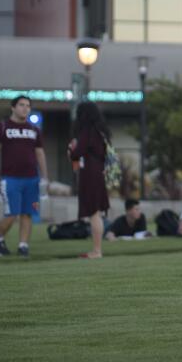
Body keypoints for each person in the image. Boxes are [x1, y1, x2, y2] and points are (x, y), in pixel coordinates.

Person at [0, 95, 48, 258]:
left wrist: (45, 176)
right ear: (13, 108)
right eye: (21, 105)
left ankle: (23, 245)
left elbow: (40, 153)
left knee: (28, 213)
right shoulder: (2, 127)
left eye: (28, 106)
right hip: (10, 178)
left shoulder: (34, 129)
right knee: (11, 214)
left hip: (31, 178)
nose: (25, 108)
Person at [68, 101, 111, 259]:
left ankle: (97, 250)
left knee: (93, 214)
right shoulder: (101, 132)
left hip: (90, 174)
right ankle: (97, 249)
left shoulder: (87, 131)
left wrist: (72, 149)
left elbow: (76, 153)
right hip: (99, 172)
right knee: (96, 213)